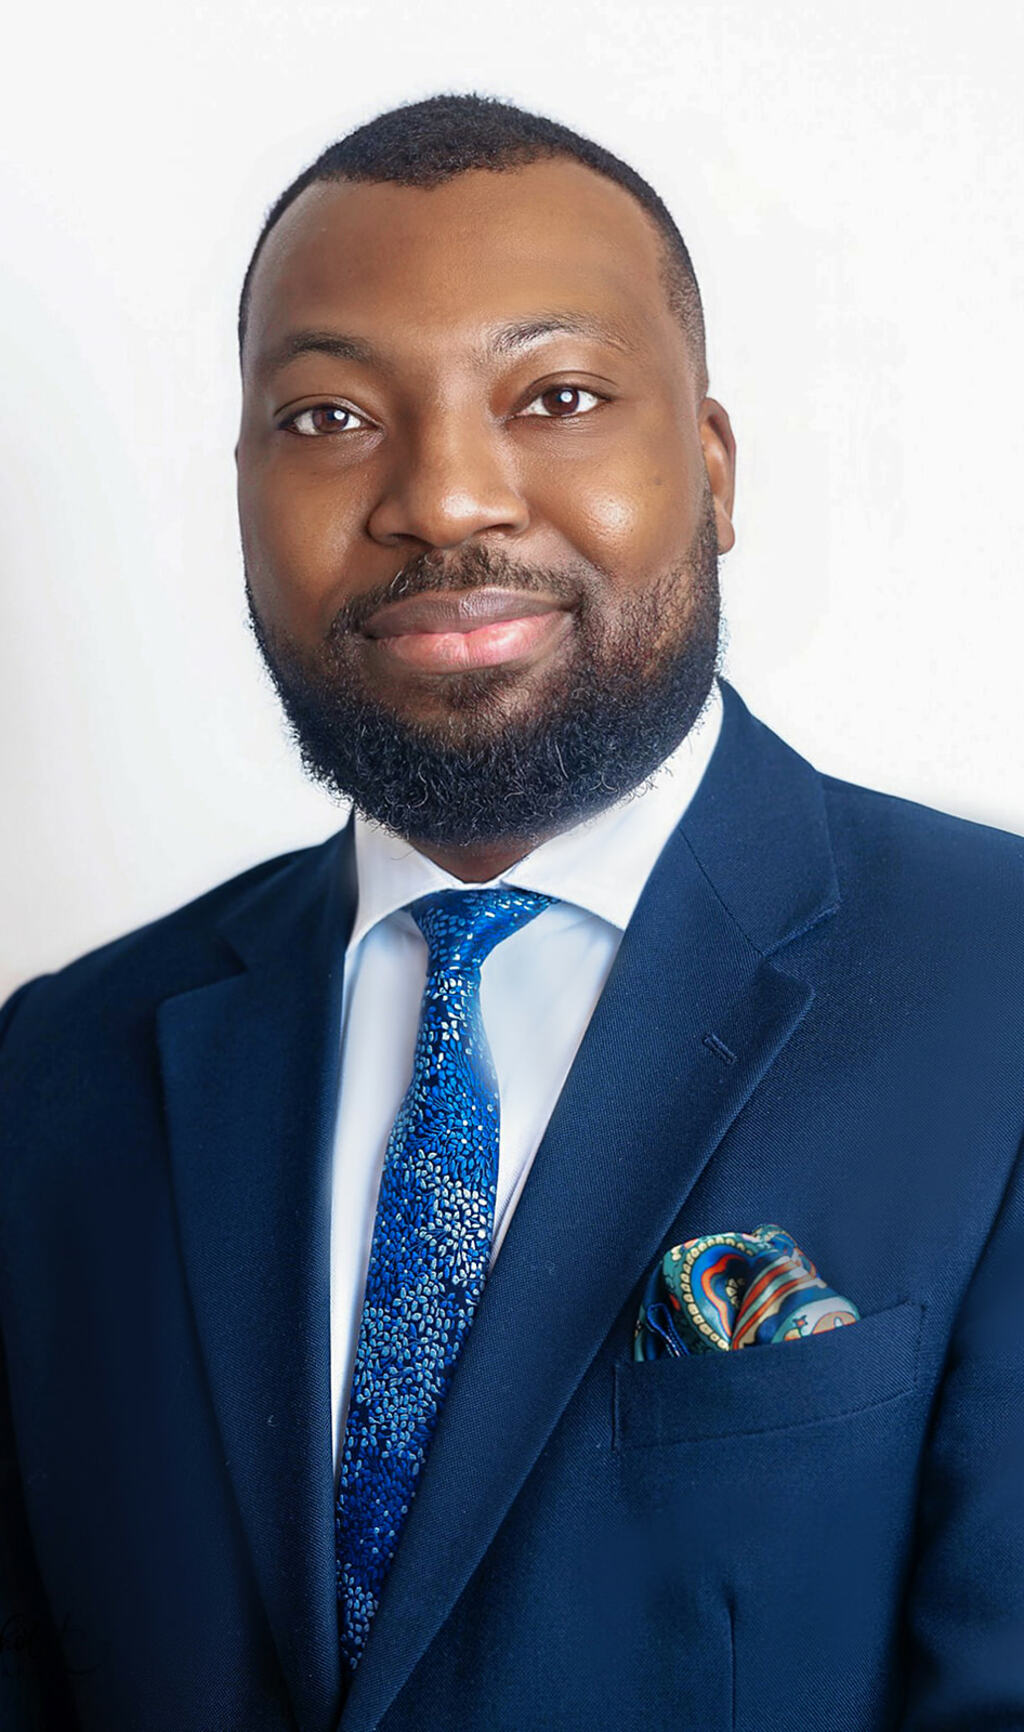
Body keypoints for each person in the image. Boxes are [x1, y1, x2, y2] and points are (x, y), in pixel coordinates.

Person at [1, 90, 1022, 1732]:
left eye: (556, 396)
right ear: (242, 490)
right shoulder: (60, 1070)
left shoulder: (997, 992)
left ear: (711, 468)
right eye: (331, 416)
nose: (447, 497)